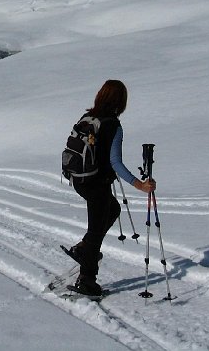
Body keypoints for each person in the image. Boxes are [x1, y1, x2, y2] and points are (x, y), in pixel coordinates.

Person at [65, 79, 155, 297]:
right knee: (96, 230)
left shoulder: (88, 117)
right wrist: (139, 185)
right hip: (96, 183)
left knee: (112, 210)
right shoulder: (113, 125)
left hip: (79, 179)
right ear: (120, 101)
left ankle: (85, 248)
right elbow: (115, 162)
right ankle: (86, 280)